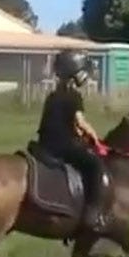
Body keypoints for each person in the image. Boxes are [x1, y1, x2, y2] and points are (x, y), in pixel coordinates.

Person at [35, 49, 108, 234]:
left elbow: (64, 122)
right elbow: (80, 123)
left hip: (45, 143)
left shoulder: (53, 95)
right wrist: (96, 139)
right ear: (77, 73)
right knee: (94, 165)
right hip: (62, 146)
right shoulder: (74, 96)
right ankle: (92, 214)